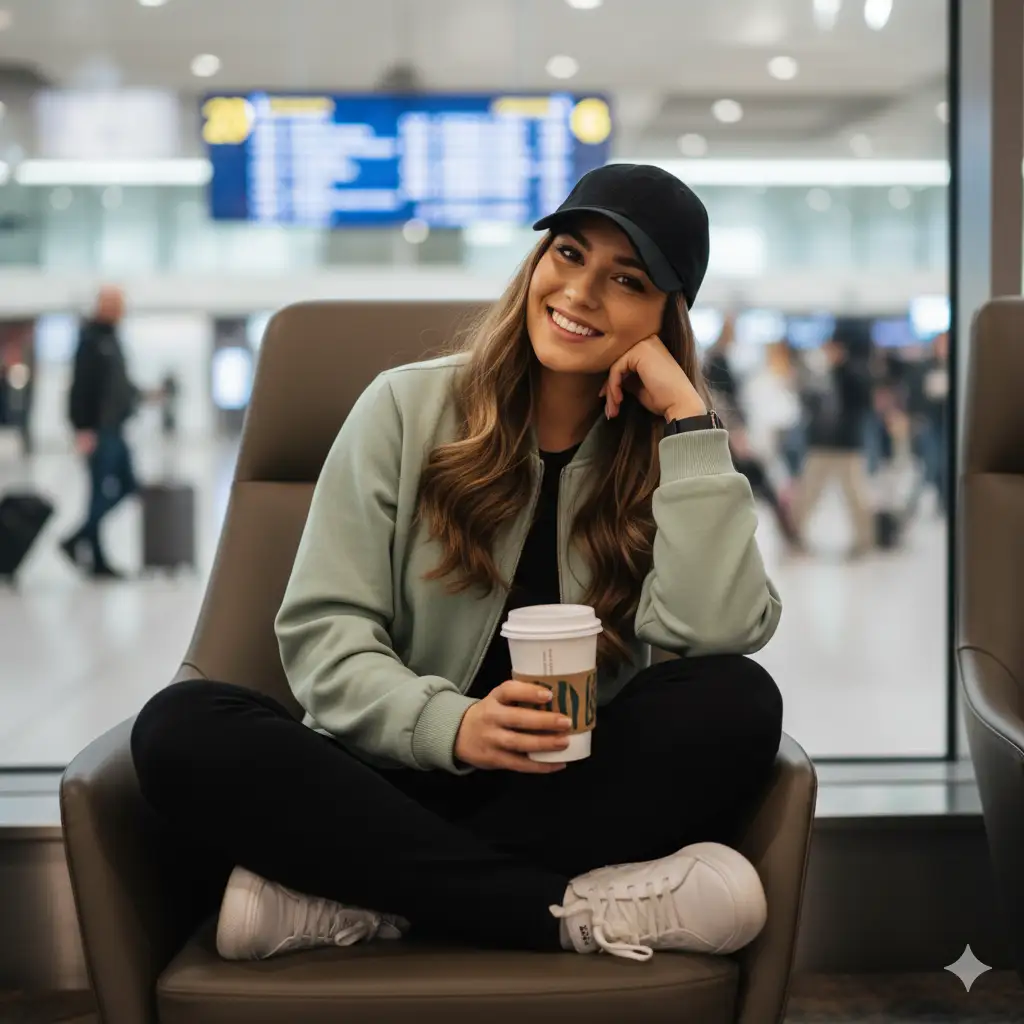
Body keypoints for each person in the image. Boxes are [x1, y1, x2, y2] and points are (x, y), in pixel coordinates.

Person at [130, 165, 785, 965]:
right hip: (383, 777)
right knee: (179, 728)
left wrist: (688, 423)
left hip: (562, 792)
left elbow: (715, 633)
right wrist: (457, 724)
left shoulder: (662, 455)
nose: (581, 293)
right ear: (537, 260)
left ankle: (363, 896)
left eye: (627, 279)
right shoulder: (405, 408)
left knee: (738, 699)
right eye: (570, 254)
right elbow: (324, 636)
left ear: (665, 316)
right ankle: (564, 913)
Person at [61, 286, 142, 578]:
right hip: (99, 430)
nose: (122, 310)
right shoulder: (91, 340)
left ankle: (79, 539)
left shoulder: (113, 339)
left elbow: (119, 386)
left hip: (117, 428)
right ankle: (95, 558)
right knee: (98, 493)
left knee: (128, 486)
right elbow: (80, 388)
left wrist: (141, 396)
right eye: (117, 305)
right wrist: (82, 428)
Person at [704, 316, 802, 550]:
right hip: (728, 433)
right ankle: (789, 536)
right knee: (756, 481)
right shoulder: (717, 362)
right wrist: (735, 431)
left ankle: (788, 536)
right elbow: (721, 400)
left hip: (732, 432)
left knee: (757, 482)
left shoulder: (721, 360)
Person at [793, 320, 876, 558]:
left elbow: (861, 407)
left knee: (855, 494)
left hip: (846, 445)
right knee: (808, 493)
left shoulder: (853, 373)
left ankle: (864, 540)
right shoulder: (824, 372)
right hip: (822, 443)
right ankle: (795, 536)